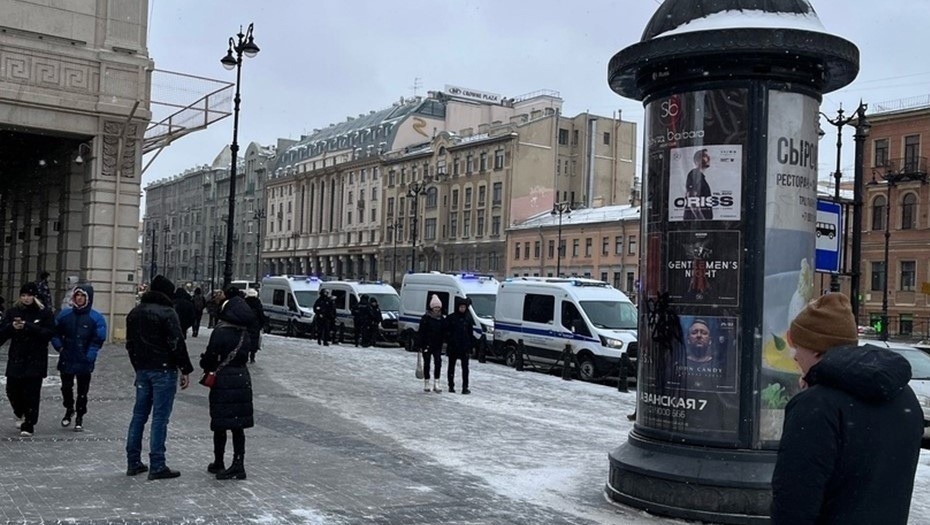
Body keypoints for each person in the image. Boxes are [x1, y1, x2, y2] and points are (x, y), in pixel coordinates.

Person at [771, 293, 923, 525]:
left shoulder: (816, 406)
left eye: (797, 346)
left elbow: (795, 501)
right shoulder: (902, 396)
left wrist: (815, 393)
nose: (794, 356)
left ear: (815, 349)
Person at [124, 274, 194, 480]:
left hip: (143, 370)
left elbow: (130, 344)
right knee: (160, 418)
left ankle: (133, 461)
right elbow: (177, 343)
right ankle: (157, 464)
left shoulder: (135, 313)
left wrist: (138, 366)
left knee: (138, 416)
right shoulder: (167, 313)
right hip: (164, 370)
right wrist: (185, 369)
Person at [200, 285, 256, 480]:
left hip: (223, 380)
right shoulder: (244, 333)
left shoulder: (221, 331)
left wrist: (204, 362)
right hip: (242, 379)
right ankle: (238, 463)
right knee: (237, 426)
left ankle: (219, 462)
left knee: (220, 423)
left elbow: (210, 358)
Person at [0, 283, 55, 436]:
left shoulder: (44, 313)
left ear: (35, 297)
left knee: (32, 392)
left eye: (29, 295)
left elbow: (48, 333)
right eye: (23, 295)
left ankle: (29, 423)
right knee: (12, 390)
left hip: (35, 359)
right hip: (17, 358)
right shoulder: (13, 312)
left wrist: (29, 326)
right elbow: (1, 335)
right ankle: (20, 411)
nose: (26, 298)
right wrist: (12, 327)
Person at [52, 285, 107, 431]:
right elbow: (55, 332)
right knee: (66, 388)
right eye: (77, 296)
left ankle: (80, 415)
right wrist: (60, 347)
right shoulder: (65, 315)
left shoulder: (95, 318)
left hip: (84, 358)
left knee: (83, 391)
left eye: (83, 296)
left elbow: (98, 339)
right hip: (67, 355)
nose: (80, 298)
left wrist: (90, 354)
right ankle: (69, 408)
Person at [445, 297, 474, 394]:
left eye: (464, 307)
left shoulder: (468, 318)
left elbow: (470, 333)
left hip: (464, 346)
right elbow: (447, 331)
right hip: (453, 346)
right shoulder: (451, 318)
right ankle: (451, 386)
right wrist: (450, 340)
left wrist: (470, 346)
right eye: (461, 307)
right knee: (451, 366)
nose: (462, 309)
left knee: (465, 368)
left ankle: (465, 387)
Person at [417, 294, 445, 393]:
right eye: (435, 307)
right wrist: (420, 344)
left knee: (438, 363)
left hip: (437, 345)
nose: (437, 309)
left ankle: (436, 382)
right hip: (427, 344)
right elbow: (421, 332)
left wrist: (444, 341)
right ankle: (427, 382)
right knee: (427, 364)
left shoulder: (441, 319)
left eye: (438, 307)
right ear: (431, 307)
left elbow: (444, 332)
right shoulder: (425, 318)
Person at [683, 148, 713, 220]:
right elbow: (691, 198)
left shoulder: (701, 177)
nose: (709, 158)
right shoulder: (694, 174)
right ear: (697, 160)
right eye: (705, 156)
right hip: (696, 224)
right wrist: (702, 220)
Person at [242, 288, 265, 363]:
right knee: (254, 341)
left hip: (246, 325)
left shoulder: (244, 303)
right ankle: (252, 357)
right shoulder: (257, 303)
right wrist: (261, 324)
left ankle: (245, 356)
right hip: (255, 325)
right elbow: (261, 315)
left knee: (245, 340)